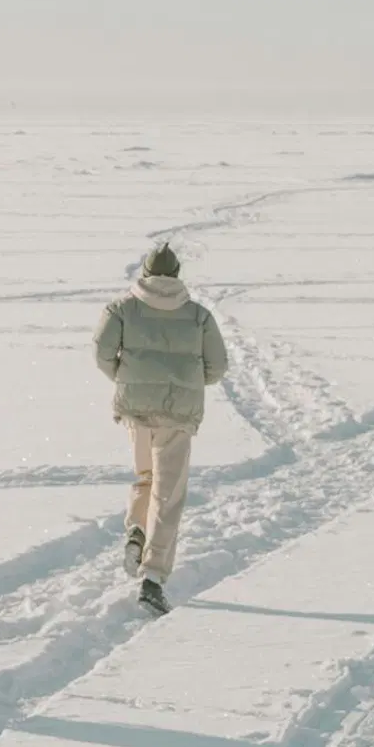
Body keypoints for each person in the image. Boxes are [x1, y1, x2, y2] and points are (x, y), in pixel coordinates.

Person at [94, 240, 225, 614]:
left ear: (146, 273)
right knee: (168, 493)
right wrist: (188, 382)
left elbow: (102, 352)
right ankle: (152, 578)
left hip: (136, 408)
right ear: (177, 274)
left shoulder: (121, 309)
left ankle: (136, 531)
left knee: (145, 476)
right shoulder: (199, 315)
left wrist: (127, 378)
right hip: (178, 412)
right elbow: (217, 367)